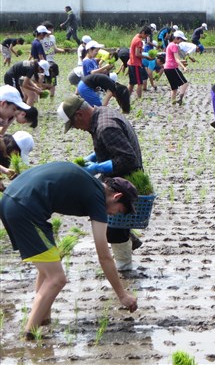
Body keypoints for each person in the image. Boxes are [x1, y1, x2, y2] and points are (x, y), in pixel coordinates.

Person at [0, 162, 138, 338]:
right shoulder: (97, 197)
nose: (116, 214)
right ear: (117, 196)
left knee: (49, 267)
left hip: (10, 200)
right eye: (121, 210)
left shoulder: (91, 185)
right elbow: (104, 256)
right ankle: (30, 334)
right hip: (25, 209)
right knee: (57, 278)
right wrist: (122, 295)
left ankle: (43, 318)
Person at [57, 95, 144, 270]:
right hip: (117, 178)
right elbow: (112, 146)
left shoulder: (105, 126)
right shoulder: (102, 113)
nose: (76, 129)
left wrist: (97, 167)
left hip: (122, 181)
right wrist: (95, 156)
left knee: (113, 228)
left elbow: (128, 159)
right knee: (111, 222)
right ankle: (128, 241)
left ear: (80, 114)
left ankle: (124, 267)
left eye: (73, 124)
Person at [164, 31, 190, 105]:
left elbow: (171, 58)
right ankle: (180, 98)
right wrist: (184, 67)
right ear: (176, 38)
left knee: (174, 88)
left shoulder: (169, 45)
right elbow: (176, 59)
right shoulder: (174, 46)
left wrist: (182, 62)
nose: (181, 41)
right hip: (172, 68)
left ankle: (173, 102)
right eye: (180, 39)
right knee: (185, 83)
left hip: (167, 68)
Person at [127, 26, 152, 100]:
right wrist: (147, 57)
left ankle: (126, 97)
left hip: (131, 63)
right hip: (136, 64)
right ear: (143, 33)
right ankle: (139, 99)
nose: (146, 37)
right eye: (146, 35)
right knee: (140, 83)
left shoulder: (135, 37)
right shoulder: (139, 41)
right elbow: (137, 54)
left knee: (131, 83)